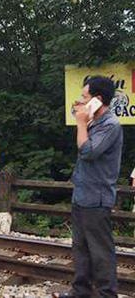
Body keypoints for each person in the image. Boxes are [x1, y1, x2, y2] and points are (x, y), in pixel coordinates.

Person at [54, 76, 122, 298]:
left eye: (85, 97)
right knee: (80, 248)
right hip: (82, 195)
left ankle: (106, 294)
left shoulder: (111, 125)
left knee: (101, 251)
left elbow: (88, 151)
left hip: (97, 198)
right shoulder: (94, 122)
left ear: (97, 99)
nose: (80, 102)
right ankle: (80, 291)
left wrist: (81, 123)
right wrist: (84, 121)